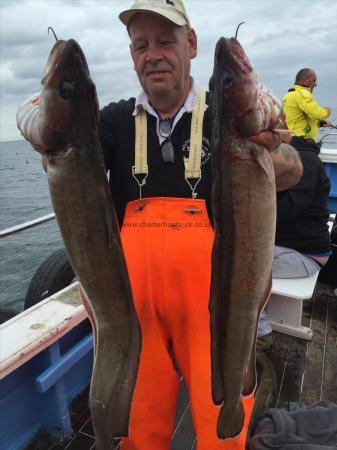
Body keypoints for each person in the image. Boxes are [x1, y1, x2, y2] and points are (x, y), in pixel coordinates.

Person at [17, 1, 303, 448]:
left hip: (215, 304)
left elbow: (292, 170)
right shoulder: (109, 121)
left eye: (165, 41)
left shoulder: (227, 115)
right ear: (132, 57)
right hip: (133, 309)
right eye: (141, 45)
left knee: (221, 426)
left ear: (190, 44)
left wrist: (268, 146)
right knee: (136, 426)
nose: (153, 54)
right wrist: (35, 124)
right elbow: (41, 117)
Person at [282, 68, 332, 143]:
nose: (315, 84)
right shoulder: (302, 94)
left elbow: (297, 121)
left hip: (291, 139)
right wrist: (327, 110)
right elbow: (317, 113)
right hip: (301, 141)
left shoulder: (288, 95)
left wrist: (320, 123)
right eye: (314, 80)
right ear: (306, 81)